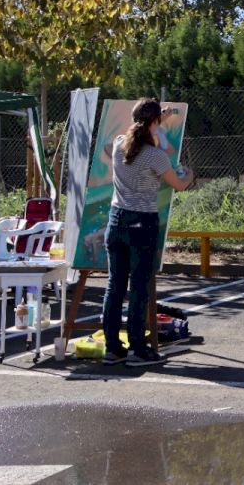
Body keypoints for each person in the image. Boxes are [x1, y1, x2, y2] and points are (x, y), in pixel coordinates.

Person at [101, 97, 193, 367]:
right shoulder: (155, 155)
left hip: (116, 221)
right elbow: (179, 185)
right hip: (142, 223)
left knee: (115, 286)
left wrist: (156, 119)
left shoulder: (119, 144)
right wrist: (190, 174)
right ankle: (137, 349)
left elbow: (136, 132)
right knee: (139, 287)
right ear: (154, 122)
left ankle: (112, 348)